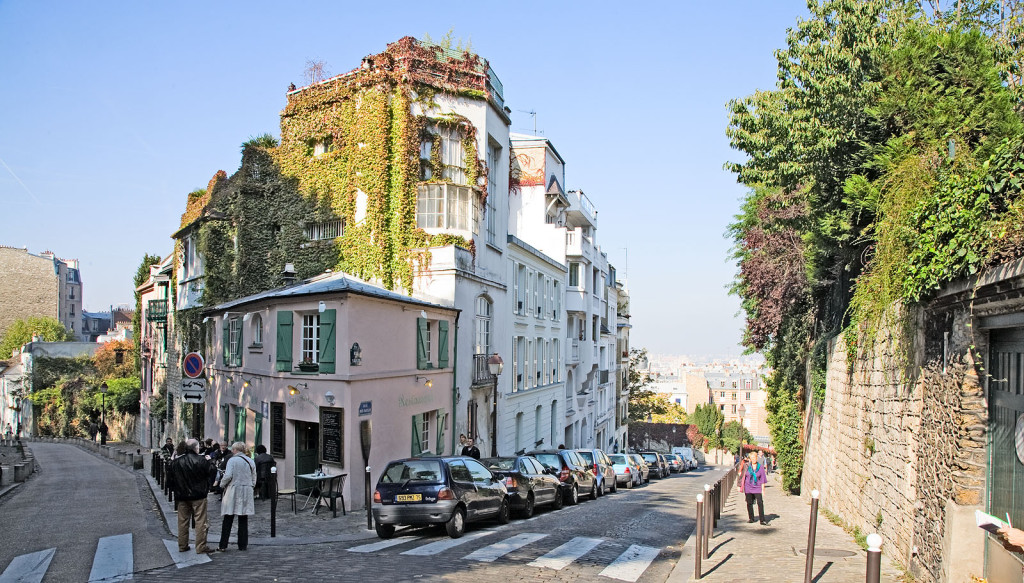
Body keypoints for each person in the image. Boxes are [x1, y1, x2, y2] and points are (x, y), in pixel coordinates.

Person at [167, 438, 216, 554]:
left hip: (182, 496)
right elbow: (211, 472)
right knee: (200, 521)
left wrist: (176, 490)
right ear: (196, 448)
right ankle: (200, 546)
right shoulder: (201, 460)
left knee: (182, 522)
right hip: (199, 495)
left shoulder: (176, 462)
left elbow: (169, 481)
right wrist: (211, 461)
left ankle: (182, 545)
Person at [216, 442, 256, 552]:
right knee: (243, 518)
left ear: (234, 450)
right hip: (246, 490)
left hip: (233, 489)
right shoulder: (250, 461)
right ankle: (243, 545)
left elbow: (228, 475)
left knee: (228, 518)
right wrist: (250, 486)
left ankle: (223, 545)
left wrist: (221, 485)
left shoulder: (232, 460)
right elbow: (254, 477)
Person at [737, 450, 768, 525]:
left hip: (757, 487)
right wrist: (739, 485)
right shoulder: (746, 466)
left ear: (756, 458)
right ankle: (751, 518)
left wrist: (763, 489)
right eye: (752, 458)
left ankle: (762, 520)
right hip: (748, 487)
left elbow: (763, 478)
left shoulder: (760, 467)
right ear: (750, 459)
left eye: (755, 457)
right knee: (749, 503)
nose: (753, 459)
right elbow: (742, 476)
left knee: (760, 502)